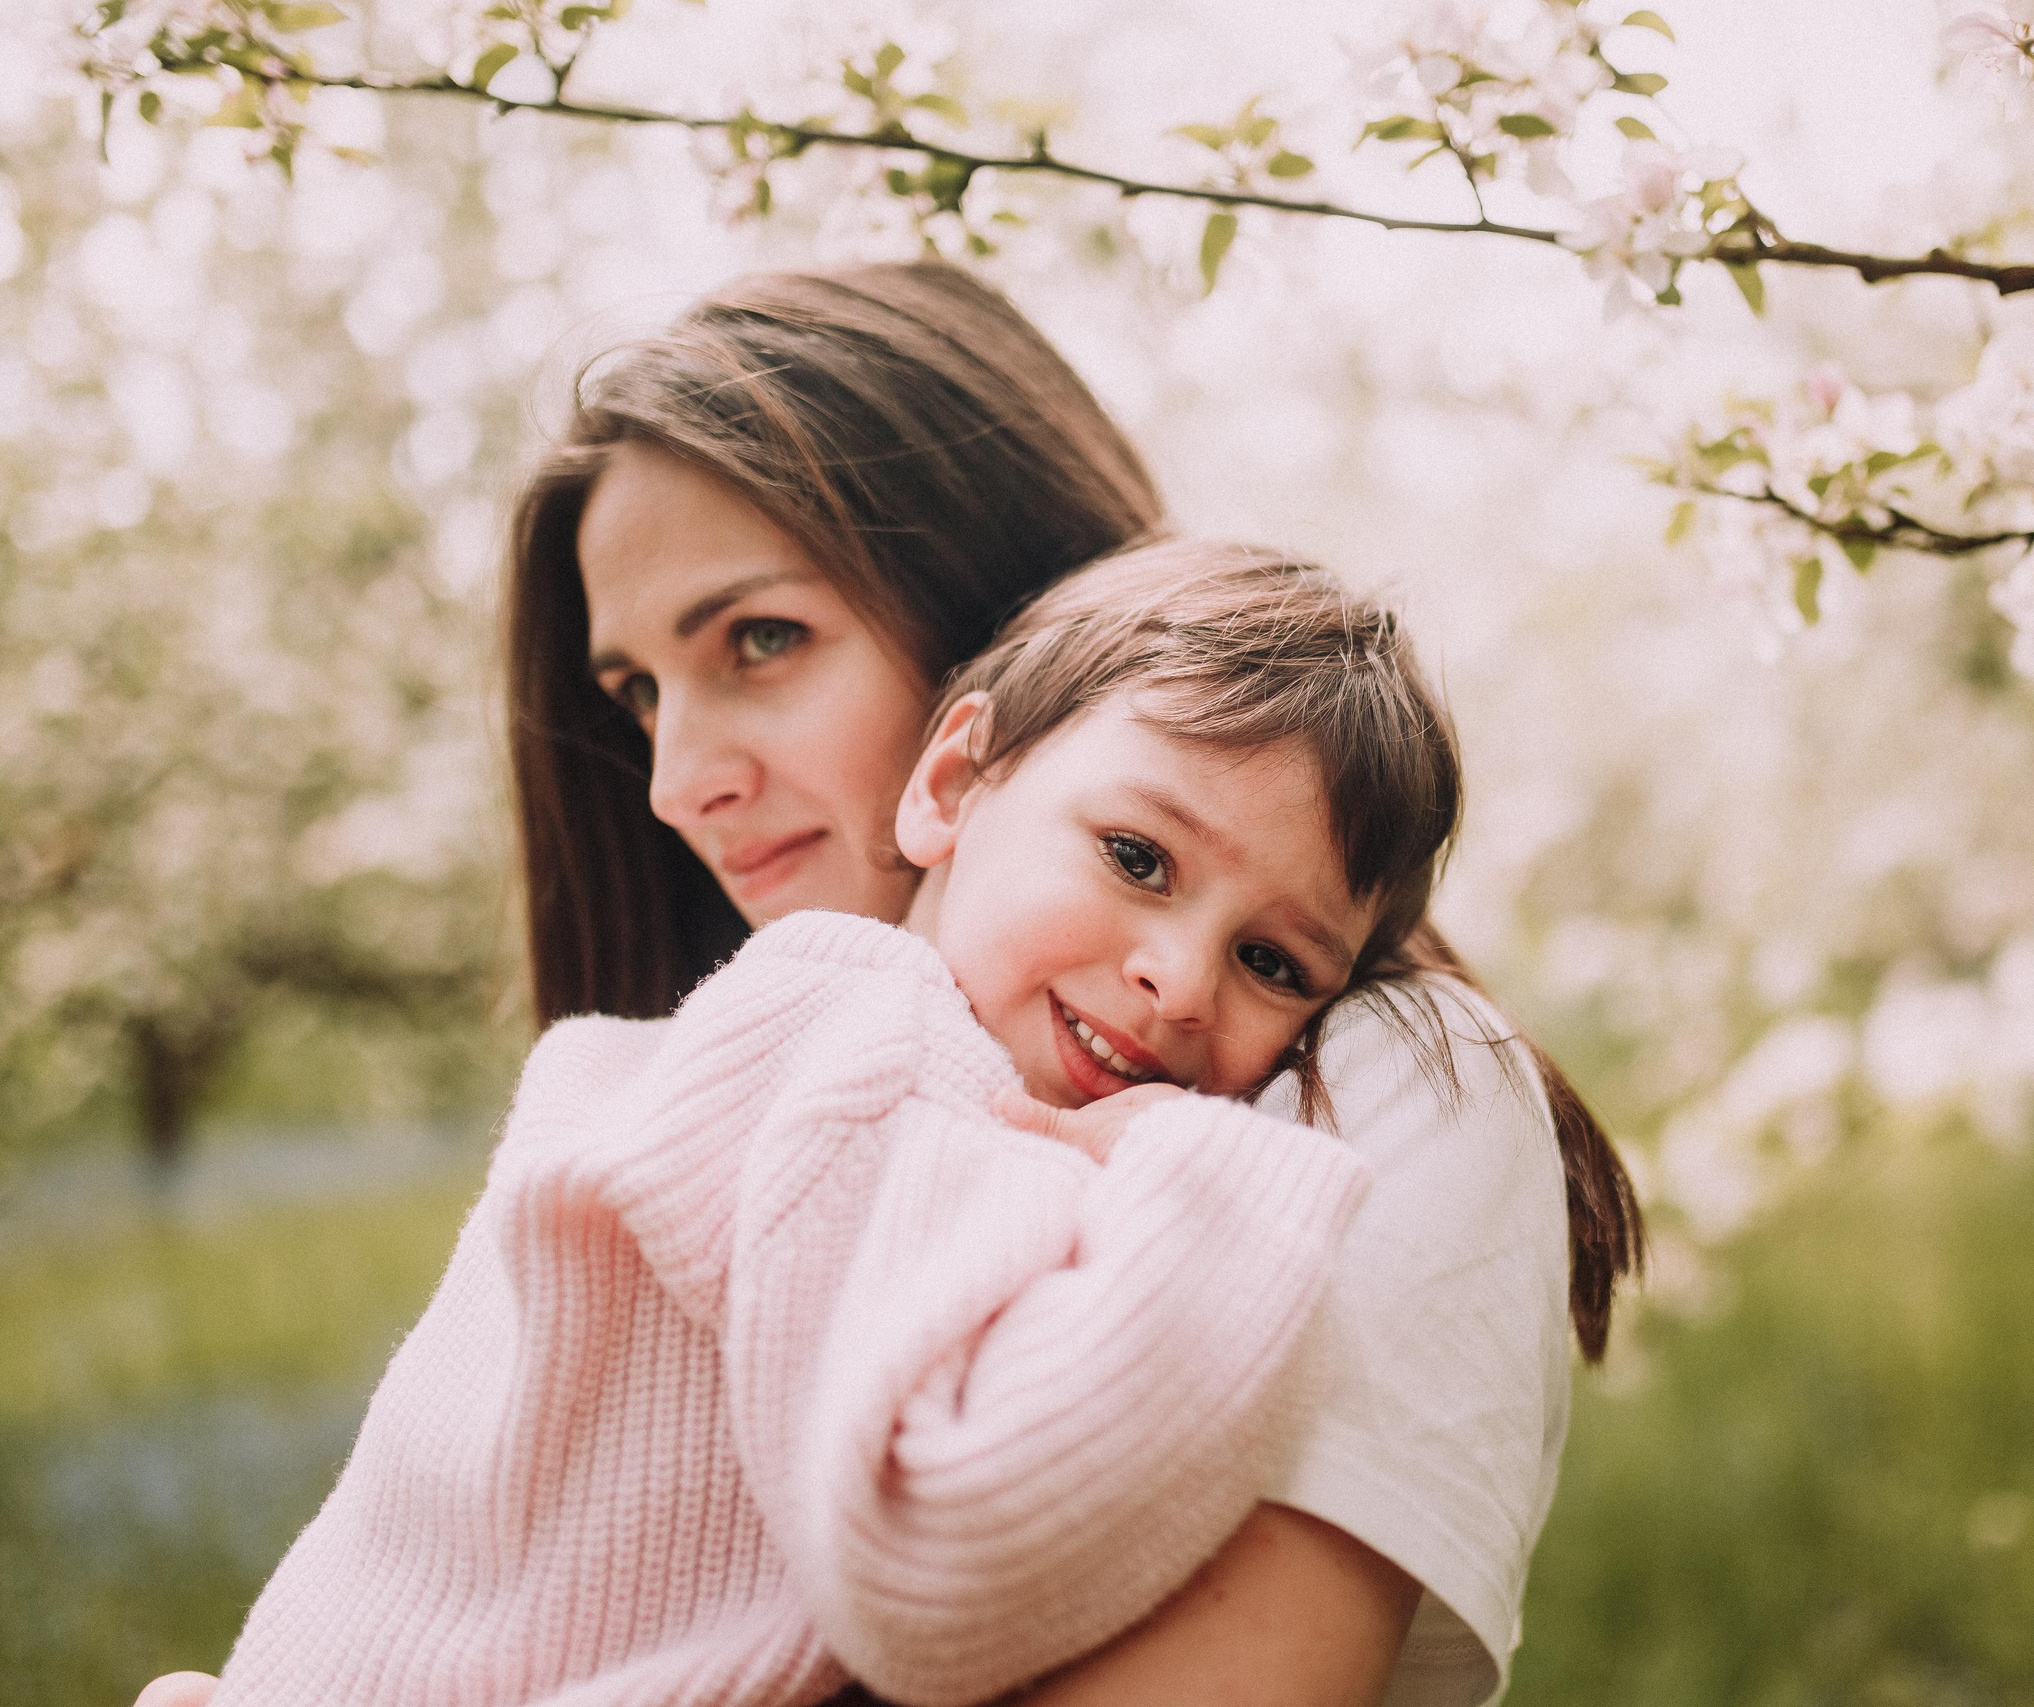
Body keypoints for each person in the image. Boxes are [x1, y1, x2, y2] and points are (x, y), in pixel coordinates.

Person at [139, 261, 1641, 1707]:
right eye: (640, 691)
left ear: (986, 636)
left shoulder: (1391, 1078)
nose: (672, 781)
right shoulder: (800, 1062)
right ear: (953, 774)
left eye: (764, 639)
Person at [197, 544, 1471, 1707]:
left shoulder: (899, 1083)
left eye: (1273, 964)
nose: (1183, 984)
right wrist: (1222, 1187)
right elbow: (943, 1560)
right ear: (954, 783)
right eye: (1137, 859)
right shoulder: (869, 1059)